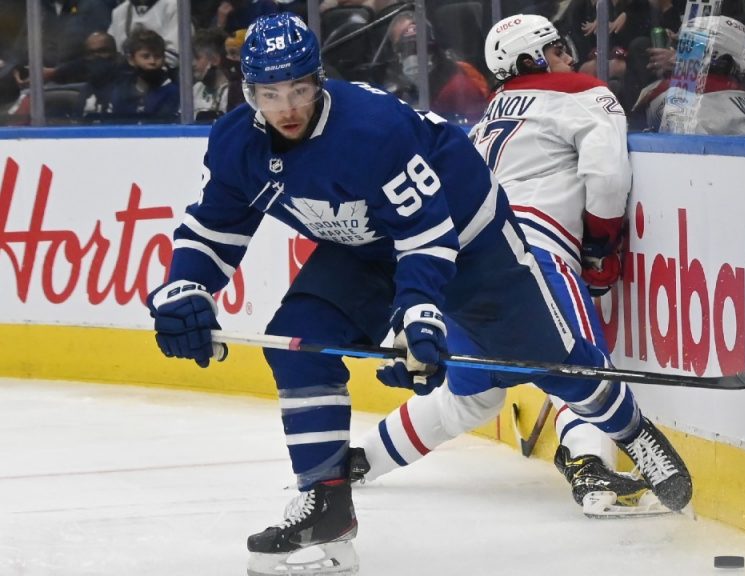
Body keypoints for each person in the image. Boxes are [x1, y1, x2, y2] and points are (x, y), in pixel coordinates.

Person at [145, 12, 691, 575]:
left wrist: (417, 316)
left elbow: (427, 234)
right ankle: (326, 508)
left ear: (319, 81)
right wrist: (185, 288)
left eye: (299, 90)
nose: (285, 107)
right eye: (269, 94)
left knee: (554, 362)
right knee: (294, 344)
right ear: (248, 91)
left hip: (471, 238)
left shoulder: (369, 130)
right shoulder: (237, 143)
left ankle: (631, 430)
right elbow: (212, 230)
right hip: (364, 247)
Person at [350, 13, 663, 517]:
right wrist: (600, 250)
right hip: (536, 254)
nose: (568, 54)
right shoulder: (582, 91)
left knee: (470, 398)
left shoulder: (490, 113)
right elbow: (606, 180)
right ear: (531, 58)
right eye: (557, 46)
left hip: (469, 264)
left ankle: (358, 458)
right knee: (581, 368)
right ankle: (592, 474)